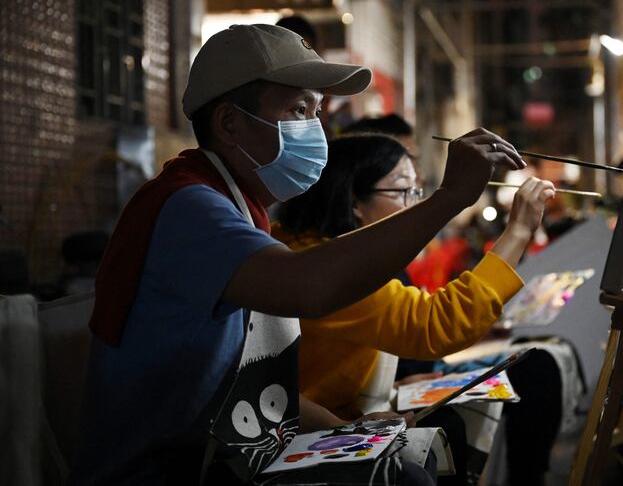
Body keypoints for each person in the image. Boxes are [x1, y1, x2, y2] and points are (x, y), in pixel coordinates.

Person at [69, 24, 527, 486]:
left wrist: (342, 430)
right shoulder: (189, 205)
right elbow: (308, 287)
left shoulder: (237, 209)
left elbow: (239, 383)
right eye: (298, 110)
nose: (316, 129)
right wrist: (448, 199)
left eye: (317, 112)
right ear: (229, 123)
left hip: (216, 456)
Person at [274, 133, 558, 485]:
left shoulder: (318, 249)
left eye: (417, 192)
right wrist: (518, 231)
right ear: (354, 202)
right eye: (402, 191)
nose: (413, 206)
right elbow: (437, 323)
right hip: (297, 436)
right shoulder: (329, 266)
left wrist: (393, 386)